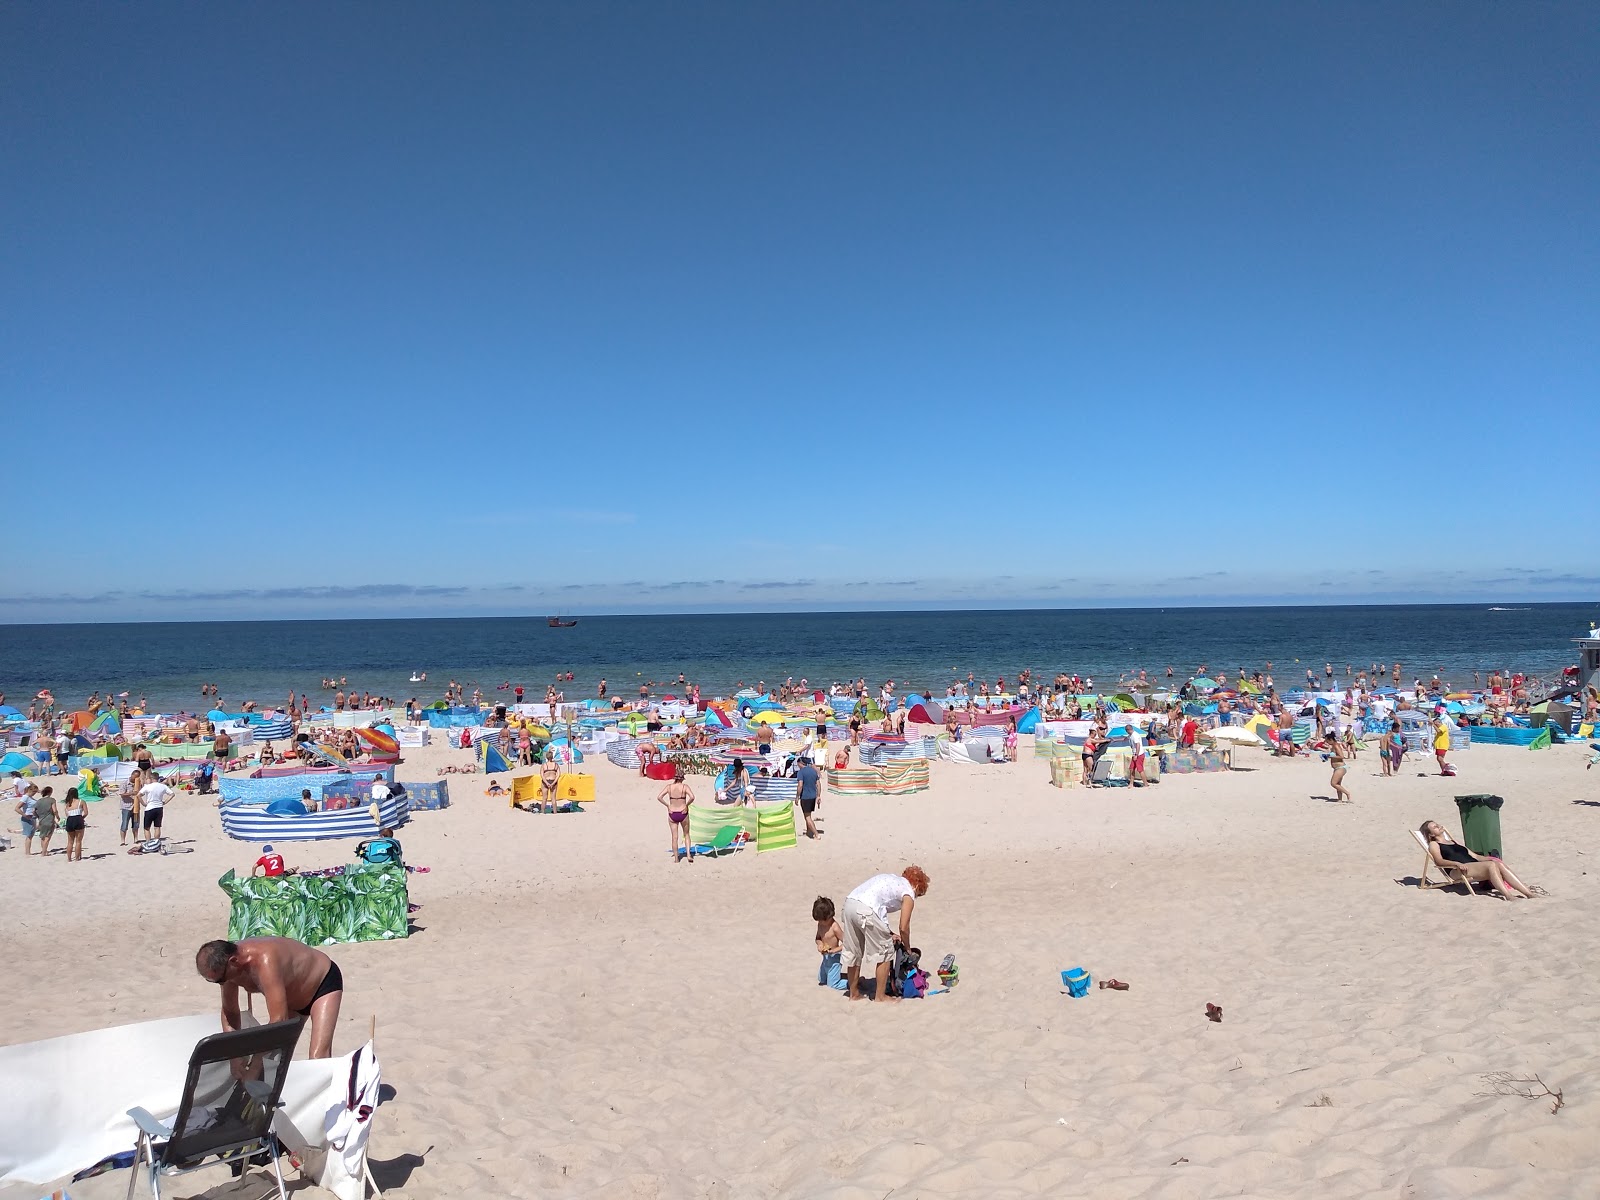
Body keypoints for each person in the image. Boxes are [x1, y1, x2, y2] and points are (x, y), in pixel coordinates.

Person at [195, 937, 344, 1058]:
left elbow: (278, 1021)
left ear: (234, 961)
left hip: (322, 985)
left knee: (317, 1057)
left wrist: (255, 1061)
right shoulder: (226, 970)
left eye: (220, 980)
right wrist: (234, 1056)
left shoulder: (264, 960)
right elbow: (230, 1012)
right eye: (213, 981)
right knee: (275, 1060)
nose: (221, 983)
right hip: (290, 1001)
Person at [841, 865, 930, 1003]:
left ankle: (854, 994)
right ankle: (880, 997)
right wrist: (908, 949)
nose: (916, 897)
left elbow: (880, 908)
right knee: (886, 952)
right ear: (917, 886)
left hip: (850, 904)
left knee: (854, 952)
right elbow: (904, 927)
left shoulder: (892, 880)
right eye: (919, 895)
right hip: (867, 909)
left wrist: (889, 933)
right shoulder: (909, 891)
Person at [1419, 820, 1536, 900]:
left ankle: (1528, 893)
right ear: (1430, 835)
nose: (1438, 826)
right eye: (1435, 827)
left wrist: (1491, 858)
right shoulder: (1434, 844)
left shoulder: (1453, 842)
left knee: (1496, 863)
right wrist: (1457, 864)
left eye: (1437, 824)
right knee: (1491, 866)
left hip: (1472, 866)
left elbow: (1475, 856)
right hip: (1457, 870)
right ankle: (1508, 896)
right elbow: (1439, 861)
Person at [659, 768, 695, 862]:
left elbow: (659, 797)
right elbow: (692, 797)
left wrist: (667, 805)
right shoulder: (684, 787)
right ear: (682, 778)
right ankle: (688, 855)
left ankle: (676, 858)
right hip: (683, 811)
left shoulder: (669, 787)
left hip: (672, 812)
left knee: (674, 837)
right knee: (686, 834)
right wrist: (686, 805)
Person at [812, 896, 847, 991]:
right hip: (825, 958)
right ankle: (845, 976)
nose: (821, 923)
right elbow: (818, 938)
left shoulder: (834, 927)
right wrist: (819, 944)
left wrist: (834, 950)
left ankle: (853, 982)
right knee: (822, 979)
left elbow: (847, 943)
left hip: (835, 958)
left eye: (822, 921)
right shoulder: (820, 924)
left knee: (833, 984)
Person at [795, 755, 822, 839]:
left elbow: (800, 785)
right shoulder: (813, 771)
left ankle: (816, 834)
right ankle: (808, 831)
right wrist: (818, 796)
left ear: (800, 763)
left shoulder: (801, 772)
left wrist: (797, 796)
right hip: (813, 796)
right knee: (808, 815)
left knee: (807, 817)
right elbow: (818, 784)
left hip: (805, 797)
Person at [138, 773, 172, 839]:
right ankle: (156, 842)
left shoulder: (148, 786)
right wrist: (165, 802)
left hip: (150, 807)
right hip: (159, 807)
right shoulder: (163, 786)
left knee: (147, 828)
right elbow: (172, 794)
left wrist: (143, 803)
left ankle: (148, 843)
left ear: (151, 778)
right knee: (157, 827)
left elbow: (138, 795)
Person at [13, 776, 40, 855]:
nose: (35, 793)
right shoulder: (25, 797)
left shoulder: (30, 797)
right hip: (28, 818)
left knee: (31, 835)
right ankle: (27, 852)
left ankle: (28, 852)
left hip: (33, 818)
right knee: (29, 836)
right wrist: (25, 815)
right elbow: (17, 808)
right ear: (30, 790)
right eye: (34, 792)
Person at [61, 785, 88, 861]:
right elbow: (86, 813)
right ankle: (77, 858)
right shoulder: (81, 801)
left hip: (70, 820)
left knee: (70, 841)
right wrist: (81, 818)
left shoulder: (67, 803)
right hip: (78, 819)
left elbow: (67, 814)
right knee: (78, 841)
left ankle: (69, 858)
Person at [34, 786, 59, 856]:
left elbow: (33, 811)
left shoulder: (38, 801)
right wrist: (57, 817)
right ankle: (44, 852)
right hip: (49, 820)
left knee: (42, 836)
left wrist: (38, 816)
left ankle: (44, 850)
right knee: (48, 837)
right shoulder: (52, 800)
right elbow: (55, 810)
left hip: (41, 820)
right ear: (50, 792)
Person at [1327, 733, 1351, 803]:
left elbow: (1341, 756)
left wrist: (1330, 756)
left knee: (1333, 783)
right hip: (1337, 768)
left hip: (1341, 767)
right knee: (1338, 784)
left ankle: (1347, 793)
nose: (1327, 743)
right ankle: (1340, 799)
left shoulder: (1336, 746)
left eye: (1327, 741)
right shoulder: (1333, 746)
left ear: (1331, 740)